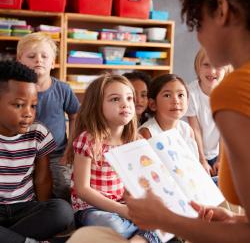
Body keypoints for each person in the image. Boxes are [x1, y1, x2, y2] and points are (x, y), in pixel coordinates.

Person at [125, 0, 250, 242]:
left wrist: (165, 220)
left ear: (221, 11)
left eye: (197, 24)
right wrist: (235, 220)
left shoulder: (235, 91)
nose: (199, 37)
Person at [65, 74, 161, 243]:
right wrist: (122, 211)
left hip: (125, 204)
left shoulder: (136, 140)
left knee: (163, 214)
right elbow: (82, 190)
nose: (125, 104)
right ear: (96, 106)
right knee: (112, 225)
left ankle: (137, 237)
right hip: (92, 208)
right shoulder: (88, 140)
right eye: (115, 99)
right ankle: (144, 236)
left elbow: (140, 181)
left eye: (129, 98)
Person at [0, 61, 74, 243]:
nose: (28, 113)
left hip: (25, 209)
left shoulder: (38, 132)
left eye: (33, 106)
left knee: (62, 211)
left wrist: (42, 209)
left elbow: (43, 177)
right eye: (18, 105)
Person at [17, 32, 80, 201]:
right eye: (31, 56)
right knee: (24, 191)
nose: (38, 60)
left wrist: (70, 148)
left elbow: (75, 115)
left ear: (53, 62)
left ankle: (63, 221)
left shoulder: (63, 89)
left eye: (44, 56)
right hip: (22, 154)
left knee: (63, 188)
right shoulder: (14, 90)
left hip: (57, 153)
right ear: (19, 61)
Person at [185, 48, 231, 176]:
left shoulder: (228, 94)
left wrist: (220, 159)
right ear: (198, 68)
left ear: (226, 69)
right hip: (194, 152)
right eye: (206, 65)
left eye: (218, 66)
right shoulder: (191, 92)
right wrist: (201, 159)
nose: (212, 71)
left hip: (220, 152)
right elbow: (195, 129)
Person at [139, 74, 198, 159]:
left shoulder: (187, 129)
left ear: (188, 101)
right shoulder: (147, 133)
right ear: (153, 104)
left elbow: (194, 162)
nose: (176, 101)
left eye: (180, 95)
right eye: (167, 95)